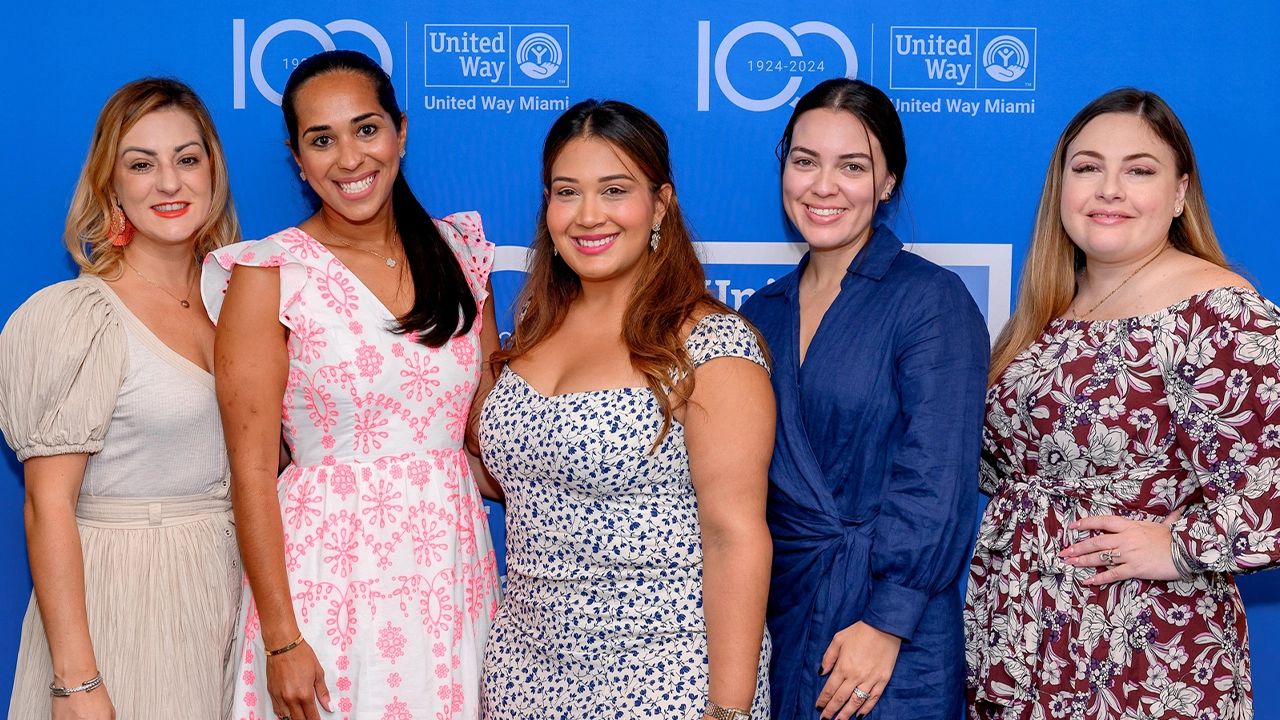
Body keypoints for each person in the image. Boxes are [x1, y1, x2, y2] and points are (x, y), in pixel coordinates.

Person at [204, 50, 501, 720]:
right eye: (321, 139)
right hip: (325, 588)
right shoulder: (268, 272)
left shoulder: (461, 256)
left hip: (450, 578)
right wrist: (282, 641)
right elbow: (251, 473)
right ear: (298, 157)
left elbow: (490, 438)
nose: (348, 159)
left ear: (401, 129)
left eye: (366, 129)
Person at [966, 88, 1280, 720]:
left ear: (1180, 194)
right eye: (1087, 168)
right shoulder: (1045, 315)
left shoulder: (1218, 312)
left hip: (1144, 644)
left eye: (1139, 170)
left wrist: (1176, 545)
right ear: (1060, 189)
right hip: (1017, 639)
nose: (1109, 188)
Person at [476, 99, 774, 718]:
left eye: (615, 190)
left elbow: (734, 537)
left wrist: (730, 709)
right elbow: (518, 479)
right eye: (567, 192)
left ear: (659, 204)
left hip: (661, 680)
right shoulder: (532, 328)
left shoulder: (711, 344)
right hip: (522, 674)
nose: (588, 216)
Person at [739, 78, 989, 720]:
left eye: (853, 166)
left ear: (887, 182)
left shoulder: (930, 300)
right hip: (780, 618)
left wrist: (887, 622)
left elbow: (939, 478)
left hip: (890, 636)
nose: (823, 186)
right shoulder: (762, 313)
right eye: (804, 161)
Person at [0, 78, 241, 719]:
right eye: (142, 164)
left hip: (227, 603)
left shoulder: (241, 304)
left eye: (187, 159)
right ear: (111, 184)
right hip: (124, 605)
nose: (169, 183)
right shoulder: (77, 317)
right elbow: (45, 506)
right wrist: (76, 682)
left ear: (213, 172)